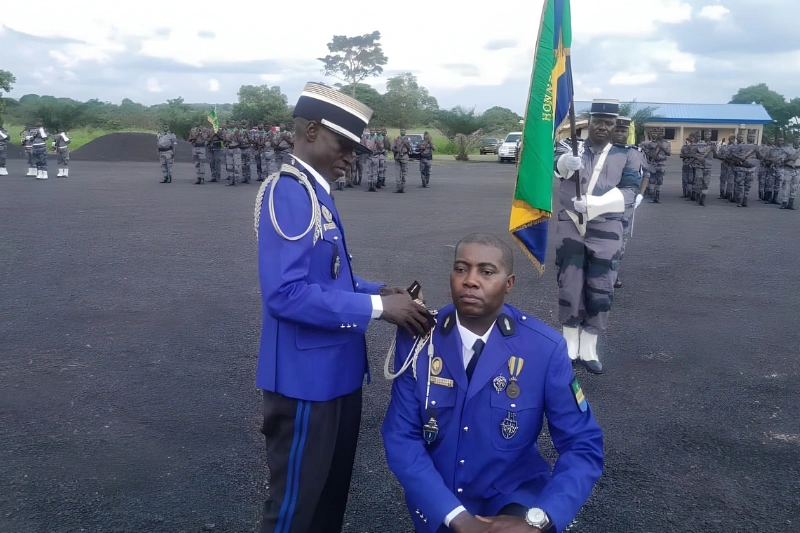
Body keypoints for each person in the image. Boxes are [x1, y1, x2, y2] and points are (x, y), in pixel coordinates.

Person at [253, 82, 434, 533]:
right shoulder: (290, 192)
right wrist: (378, 308)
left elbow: (327, 277)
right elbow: (285, 294)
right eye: (345, 145)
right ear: (312, 131)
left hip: (333, 377)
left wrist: (382, 291)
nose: (352, 157)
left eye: (356, 148)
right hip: (305, 384)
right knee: (294, 511)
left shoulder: (315, 192)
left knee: (326, 506)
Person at [382, 233, 603, 533]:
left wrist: (541, 519)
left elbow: (582, 444)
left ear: (508, 283)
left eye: (486, 272)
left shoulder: (543, 349)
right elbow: (401, 436)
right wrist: (455, 516)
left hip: (514, 501)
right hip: (440, 504)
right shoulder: (419, 339)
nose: (470, 281)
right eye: (461, 269)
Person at [553, 99, 642, 374]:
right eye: (597, 122)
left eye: (608, 123)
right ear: (588, 123)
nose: (602, 127)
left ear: (615, 126)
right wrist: (566, 163)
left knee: (601, 284)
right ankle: (569, 342)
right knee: (570, 282)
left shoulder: (628, 154)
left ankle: (589, 345)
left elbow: (630, 191)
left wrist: (596, 204)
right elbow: (555, 166)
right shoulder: (570, 147)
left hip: (607, 226)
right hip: (572, 223)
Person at [610, 117, 648, 290]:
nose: (620, 133)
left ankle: (613, 273)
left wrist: (641, 194)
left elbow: (646, 174)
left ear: (627, 132)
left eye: (623, 131)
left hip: (627, 200)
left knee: (620, 238)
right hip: (602, 199)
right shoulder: (600, 151)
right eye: (616, 130)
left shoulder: (636, 152)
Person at [393, 129, 413, 193]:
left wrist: (406, 143)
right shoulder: (397, 139)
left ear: (405, 132)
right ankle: (398, 187)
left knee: (404, 173)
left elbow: (410, 149)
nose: (402, 132)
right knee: (397, 174)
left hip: (404, 157)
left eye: (403, 130)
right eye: (401, 130)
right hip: (398, 157)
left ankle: (402, 187)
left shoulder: (408, 139)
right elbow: (392, 148)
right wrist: (396, 150)